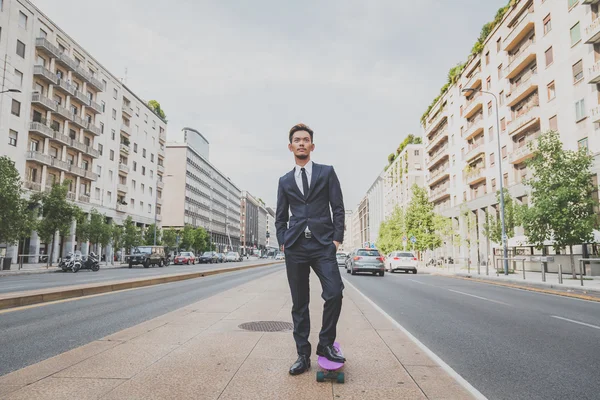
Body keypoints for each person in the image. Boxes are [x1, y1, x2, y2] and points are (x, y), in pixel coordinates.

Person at [276, 123, 346, 376]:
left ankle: (325, 345)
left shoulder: (326, 173)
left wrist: (336, 240)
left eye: (306, 139)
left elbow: (338, 207)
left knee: (334, 292)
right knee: (299, 303)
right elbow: (280, 215)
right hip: (295, 246)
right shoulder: (284, 180)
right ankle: (302, 355)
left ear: (312, 146)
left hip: (322, 244)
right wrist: (282, 240)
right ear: (291, 146)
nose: (302, 143)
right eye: (297, 140)